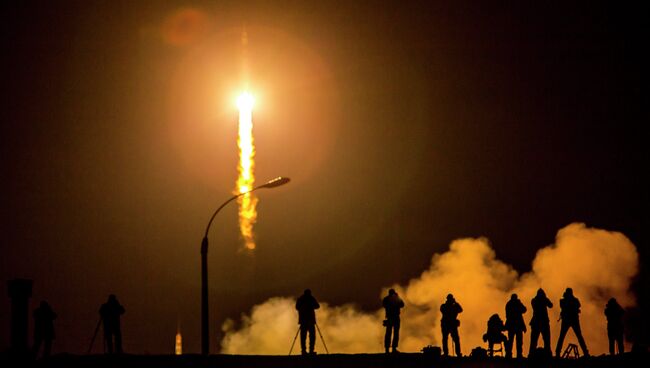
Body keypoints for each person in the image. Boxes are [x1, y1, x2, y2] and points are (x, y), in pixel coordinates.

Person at [555, 288, 589, 357]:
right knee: (579, 336)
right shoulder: (574, 300)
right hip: (574, 320)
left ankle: (557, 352)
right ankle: (585, 352)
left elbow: (563, 306)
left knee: (562, 336)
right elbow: (578, 305)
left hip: (566, 320)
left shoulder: (563, 300)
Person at [295, 289, 320, 355]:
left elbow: (297, 307)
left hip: (303, 320)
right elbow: (317, 306)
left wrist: (303, 308)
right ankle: (310, 350)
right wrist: (310, 306)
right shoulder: (311, 298)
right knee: (312, 336)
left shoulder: (300, 299)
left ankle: (304, 351)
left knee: (303, 336)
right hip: (310, 320)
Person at [529, 288, 553, 355]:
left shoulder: (534, 300)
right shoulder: (541, 300)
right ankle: (547, 353)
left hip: (536, 322)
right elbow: (550, 305)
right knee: (546, 339)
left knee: (535, 340)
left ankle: (531, 353)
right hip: (543, 322)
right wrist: (545, 298)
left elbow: (550, 305)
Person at [382, 289, 404, 353]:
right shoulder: (395, 299)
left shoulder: (386, 299)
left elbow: (402, 305)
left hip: (390, 317)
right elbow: (402, 304)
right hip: (395, 317)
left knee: (389, 333)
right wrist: (397, 297)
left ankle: (387, 349)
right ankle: (393, 348)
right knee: (395, 333)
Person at [505, 293, 527, 358]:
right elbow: (524, 310)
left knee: (511, 341)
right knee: (518, 341)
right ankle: (518, 355)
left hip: (511, 325)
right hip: (517, 325)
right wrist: (519, 303)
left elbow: (524, 310)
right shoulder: (517, 303)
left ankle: (509, 354)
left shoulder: (508, 304)